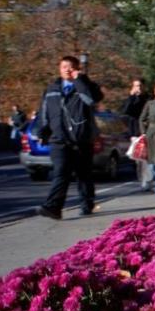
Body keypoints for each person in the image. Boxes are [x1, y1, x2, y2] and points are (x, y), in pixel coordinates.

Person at [35, 55, 103, 220]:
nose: (67, 69)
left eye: (71, 66)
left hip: (81, 140)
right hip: (59, 140)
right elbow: (44, 113)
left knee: (83, 175)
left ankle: (87, 203)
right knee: (61, 173)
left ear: (77, 68)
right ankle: (53, 207)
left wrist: (79, 80)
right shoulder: (51, 89)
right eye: (64, 66)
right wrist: (42, 133)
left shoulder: (86, 86)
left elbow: (91, 100)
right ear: (59, 69)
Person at [120, 78, 152, 191]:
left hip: (147, 132)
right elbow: (125, 112)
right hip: (135, 133)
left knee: (147, 159)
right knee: (139, 159)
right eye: (135, 86)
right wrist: (131, 97)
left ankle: (147, 181)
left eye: (140, 86)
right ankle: (143, 180)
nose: (138, 88)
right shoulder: (131, 99)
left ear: (144, 86)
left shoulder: (148, 99)